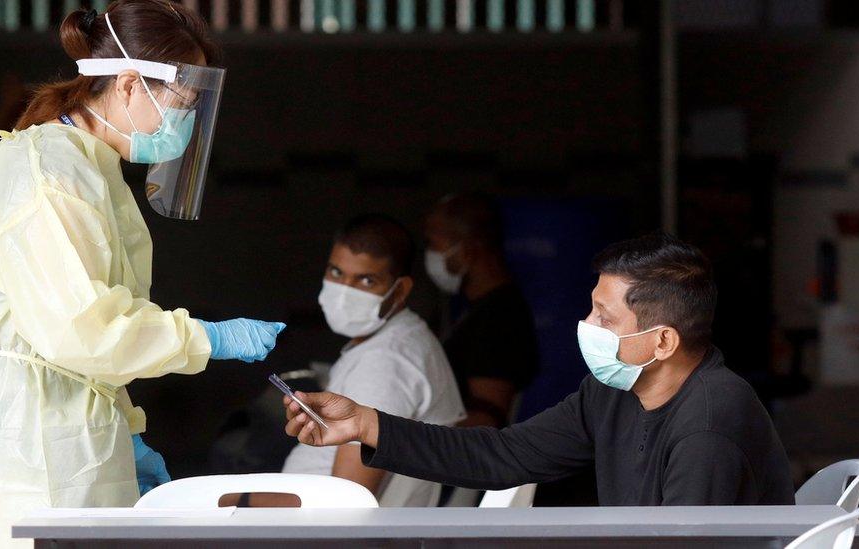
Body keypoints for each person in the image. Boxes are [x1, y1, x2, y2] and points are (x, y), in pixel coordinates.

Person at [0, 3, 285, 547]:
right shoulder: (51, 174)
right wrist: (206, 338)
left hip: (62, 431)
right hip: (33, 450)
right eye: (182, 104)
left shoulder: (89, 165)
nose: (185, 123)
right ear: (127, 85)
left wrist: (124, 432)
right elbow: (83, 329)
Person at [283, 234, 796, 506]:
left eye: (605, 317)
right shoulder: (613, 392)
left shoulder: (709, 424)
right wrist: (366, 423)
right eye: (591, 307)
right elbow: (504, 455)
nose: (586, 324)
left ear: (662, 341)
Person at [240, 214, 464, 507]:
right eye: (336, 273)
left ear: (400, 290)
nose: (345, 290)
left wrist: (240, 502)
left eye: (366, 280)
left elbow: (347, 502)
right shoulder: (393, 340)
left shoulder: (386, 362)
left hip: (317, 531)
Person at [424, 193, 539, 428]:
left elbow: (487, 416)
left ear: (468, 247)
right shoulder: (474, 309)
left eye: (434, 244)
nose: (430, 255)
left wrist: (407, 439)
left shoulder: (500, 319)